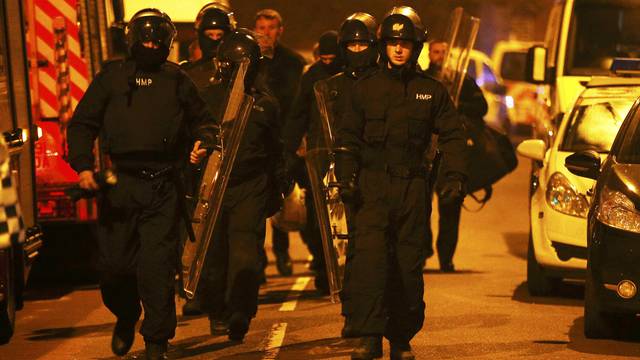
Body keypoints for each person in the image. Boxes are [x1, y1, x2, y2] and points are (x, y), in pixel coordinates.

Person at [67, 9, 218, 359]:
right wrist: (83, 167)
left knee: (156, 266)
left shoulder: (178, 79)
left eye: (156, 41)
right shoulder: (111, 79)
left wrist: (202, 143)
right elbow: (82, 124)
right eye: (145, 40)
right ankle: (126, 315)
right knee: (113, 269)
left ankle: (156, 342)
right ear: (133, 41)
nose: (150, 45)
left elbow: (205, 123)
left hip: (163, 187)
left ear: (166, 43)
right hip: (119, 187)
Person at [334, 7, 468, 359]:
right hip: (372, 189)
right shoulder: (365, 89)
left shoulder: (431, 91)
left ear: (416, 47)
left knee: (408, 266)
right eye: (392, 42)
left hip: (412, 190)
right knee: (370, 264)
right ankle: (369, 337)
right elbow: (347, 138)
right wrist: (345, 178)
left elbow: (453, 135)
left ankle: (401, 338)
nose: (398, 49)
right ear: (383, 45)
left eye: (405, 43)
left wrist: (453, 177)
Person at [191, 29, 286, 342]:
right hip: (214, 184)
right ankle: (217, 309)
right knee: (213, 257)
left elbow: (275, 151)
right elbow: (190, 137)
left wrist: (278, 188)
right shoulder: (206, 99)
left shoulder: (265, 104)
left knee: (246, 255)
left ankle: (241, 312)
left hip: (250, 186)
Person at [321, 12, 379, 338]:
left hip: (378, 176)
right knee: (348, 250)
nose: (357, 49)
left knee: (374, 250)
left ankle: (373, 312)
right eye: (351, 43)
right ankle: (353, 311)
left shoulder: (385, 81)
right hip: (343, 177)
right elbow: (320, 131)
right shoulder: (332, 87)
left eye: (362, 43)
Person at [180, 1, 236, 318]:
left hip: (231, 163)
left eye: (220, 33)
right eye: (209, 32)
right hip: (196, 164)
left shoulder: (242, 76)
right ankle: (196, 289)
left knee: (226, 237)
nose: (215, 39)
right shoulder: (188, 76)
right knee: (195, 234)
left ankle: (222, 296)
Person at [283, 30, 343, 293]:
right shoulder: (312, 76)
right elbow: (298, 114)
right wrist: (289, 149)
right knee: (319, 216)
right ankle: (323, 265)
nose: (329, 63)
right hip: (319, 151)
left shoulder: (353, 71)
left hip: (346, 150)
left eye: (333, 58)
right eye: (325, 58)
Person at [425, 39, 488, 272]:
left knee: (450, 206)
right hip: (426, 152)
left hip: (450, 151)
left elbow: (482, 108)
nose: (439, 55)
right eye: (435, 51)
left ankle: (446, 257)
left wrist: (458, 106)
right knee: (420, 206)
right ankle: (421, 250)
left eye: (443, 51)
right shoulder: (422, 79)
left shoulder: (462, 82)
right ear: (429, 54)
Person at [254, 9, 306, 276]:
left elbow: (297, 105)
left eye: (270, 27)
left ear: (280, 30)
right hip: (256, 139)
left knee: (283, 197)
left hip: (284, 138)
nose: (265, 33)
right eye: (260, 27)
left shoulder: (292, 63)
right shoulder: (247, 59)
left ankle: (282, 251)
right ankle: (258, 258)